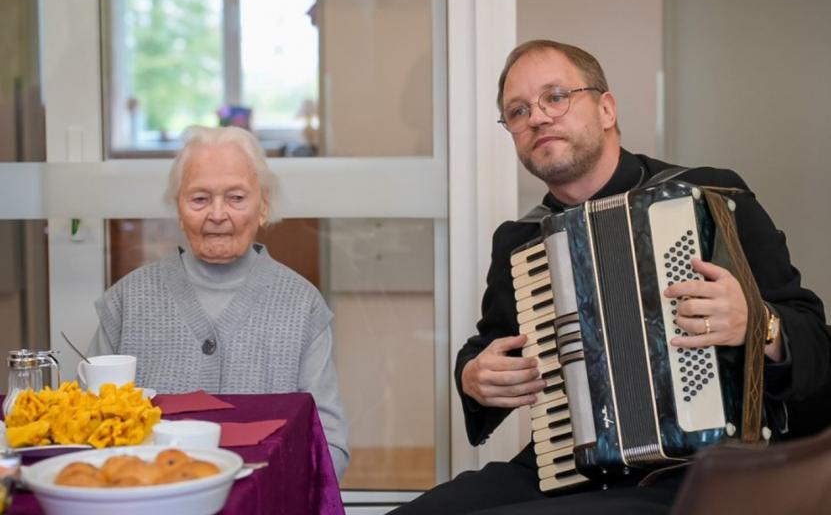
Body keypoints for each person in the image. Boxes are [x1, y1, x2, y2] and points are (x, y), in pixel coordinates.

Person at [392, 40, 830, 514]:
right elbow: (493, 345)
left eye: (555, 97)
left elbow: (816, 344)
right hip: (574, 470)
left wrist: (757, 324)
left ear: (606, 108)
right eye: (517, 111)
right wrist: (476, 376)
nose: (537, 117)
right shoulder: (522, 242)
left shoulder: (714, 196)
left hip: (708, 470)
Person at [87, 126, 350, 479]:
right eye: (199, 199)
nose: (217, 214)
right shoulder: (127, 300)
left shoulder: (302, 305)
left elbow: (330, 446)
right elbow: (87, 426)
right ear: (178, 208)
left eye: (236, 198)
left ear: (263, 205)